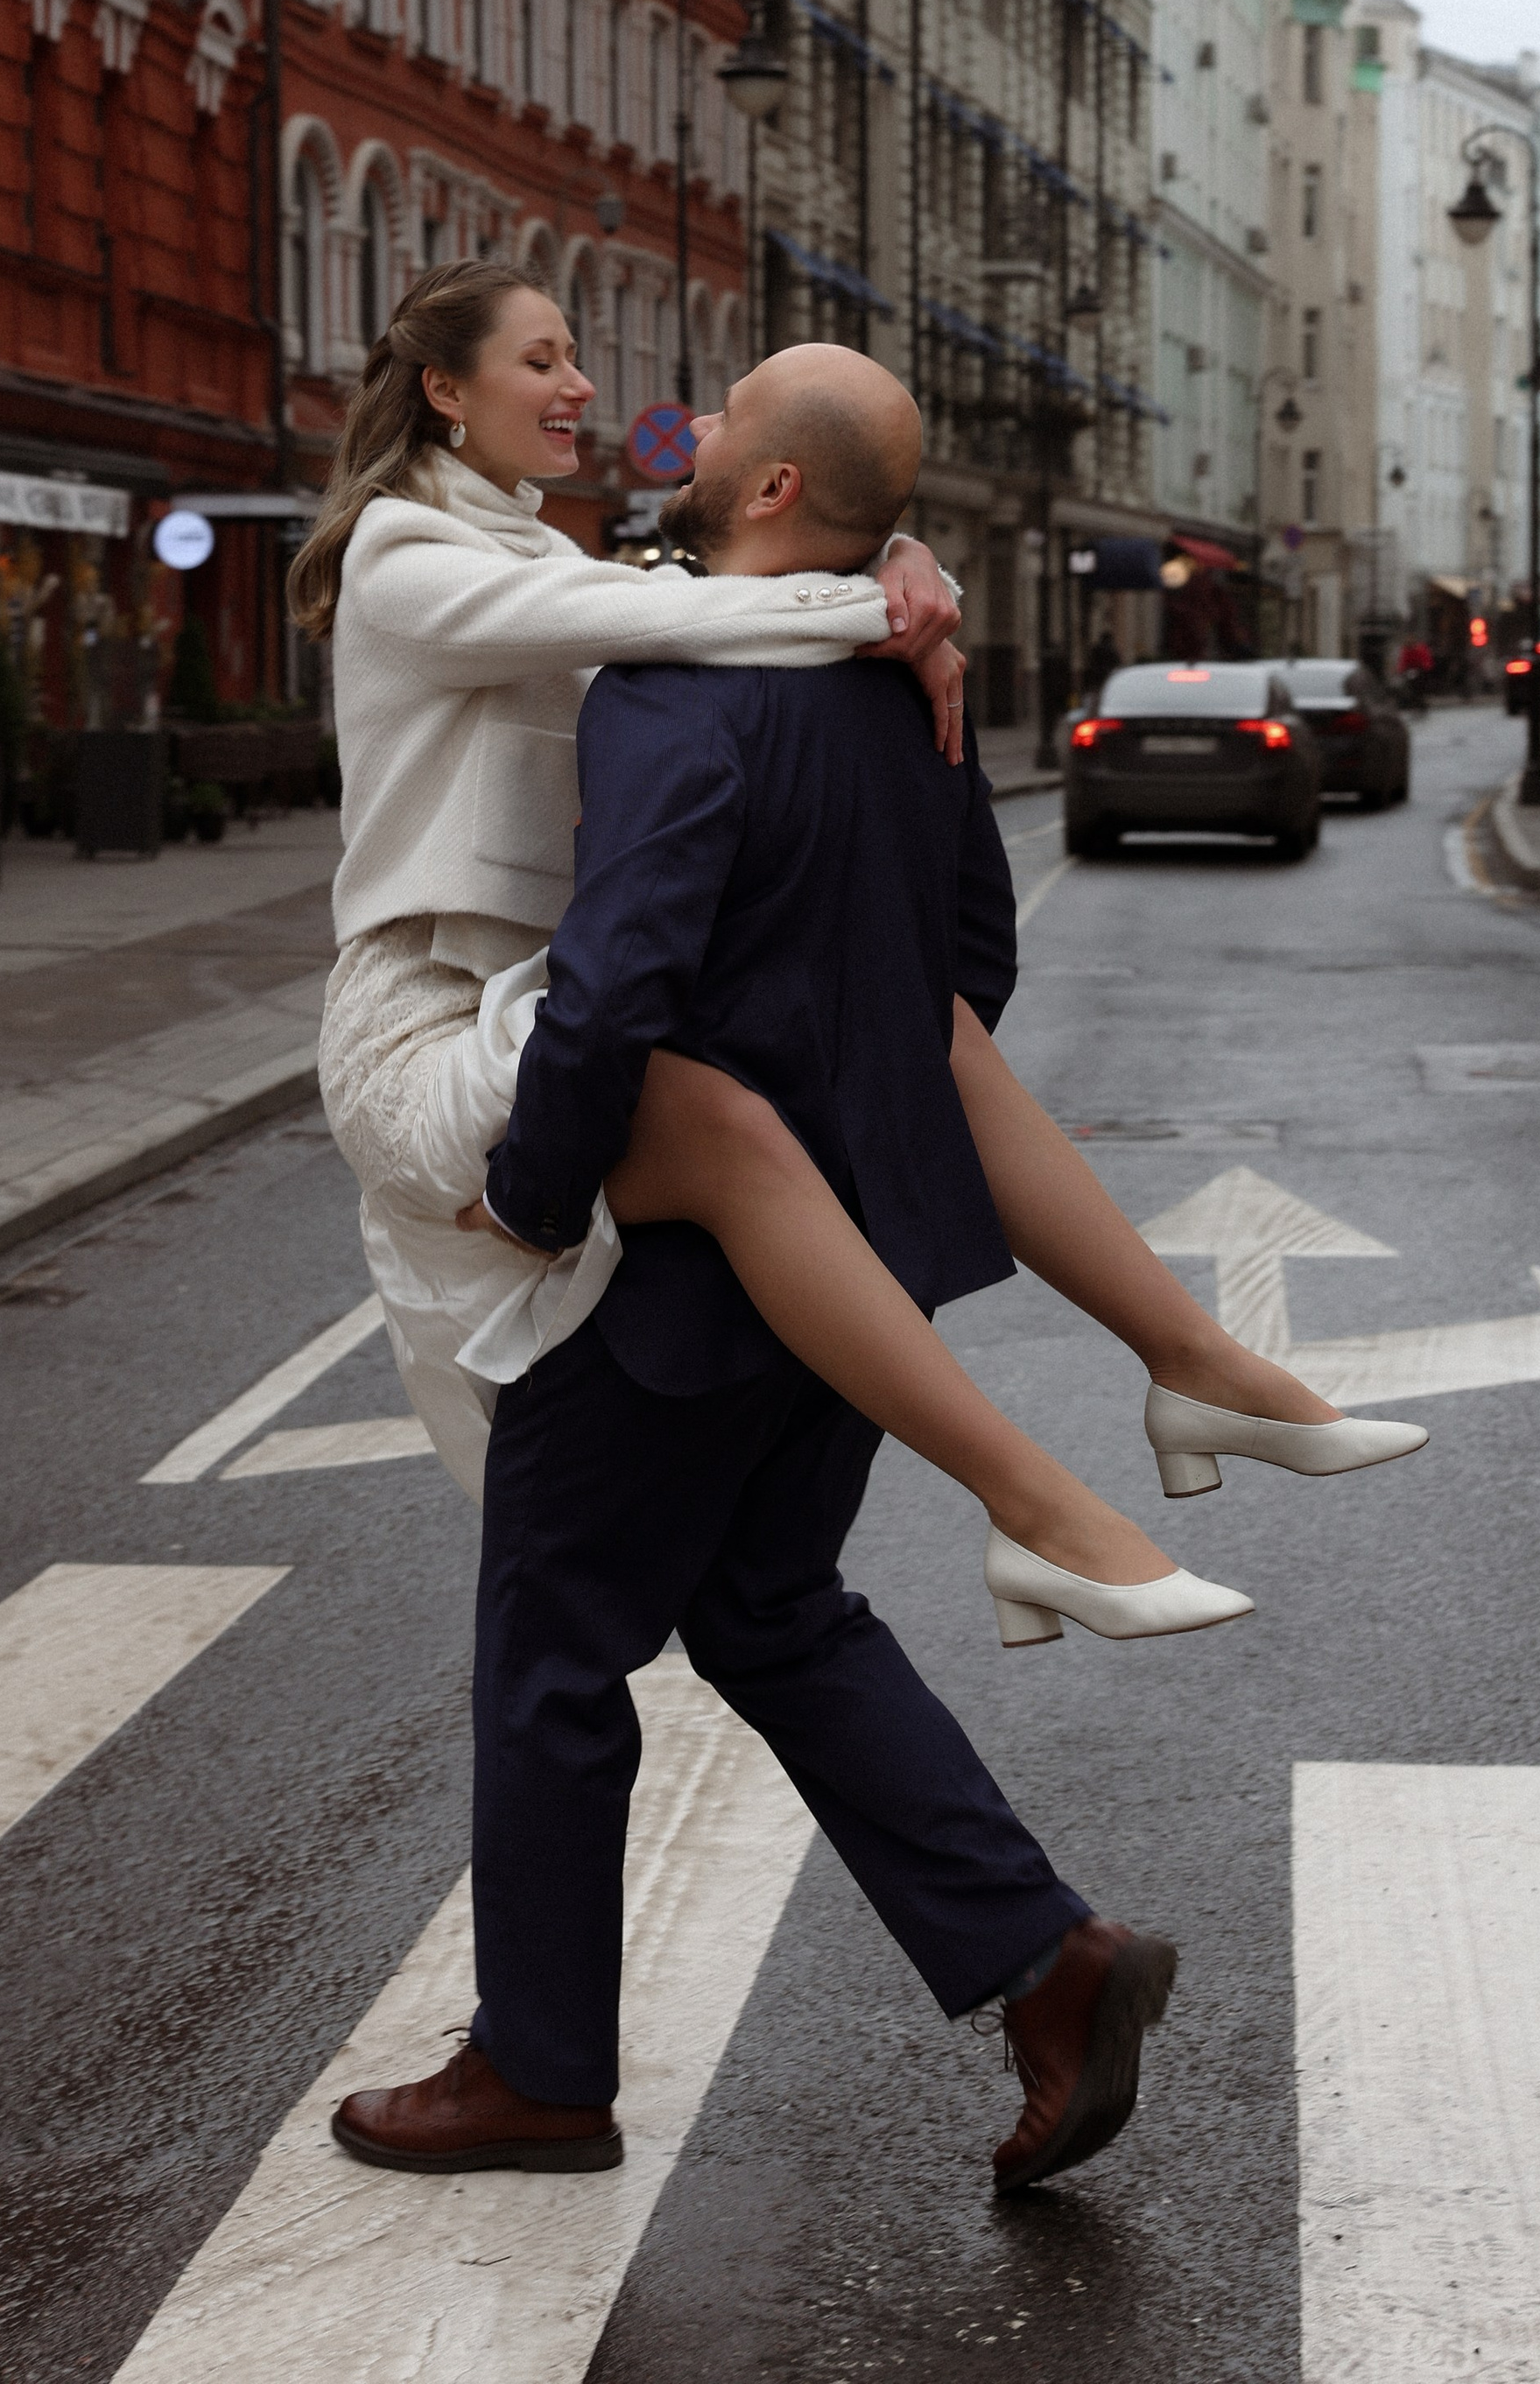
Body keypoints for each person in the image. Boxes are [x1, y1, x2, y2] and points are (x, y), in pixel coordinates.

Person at [326, 361, 1195, 2198]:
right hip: (854, 1266)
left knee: (551, 1652)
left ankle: (540, 2073)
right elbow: (967, 956)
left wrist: (544, 1188)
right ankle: (1046, 1965)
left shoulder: (683, 685)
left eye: (718, 416)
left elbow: (619, 979)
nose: (682, 426)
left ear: (764, 475)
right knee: (774, 1611)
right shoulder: (896, 680)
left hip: (688, 1270)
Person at [297, 262, 1417, 1612]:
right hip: (421, 1026)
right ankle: (1034, 1502)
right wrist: (891, 592)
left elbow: (718, 585)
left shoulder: (547, 555)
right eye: (543, 360)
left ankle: (1194, 1360)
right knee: (730, 1129)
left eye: (575, 354)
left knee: (923, 1025)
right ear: (444, 390)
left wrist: (895, 557)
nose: (582, 385)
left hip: (527, 1000)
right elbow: (688, 610)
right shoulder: (404, 558)